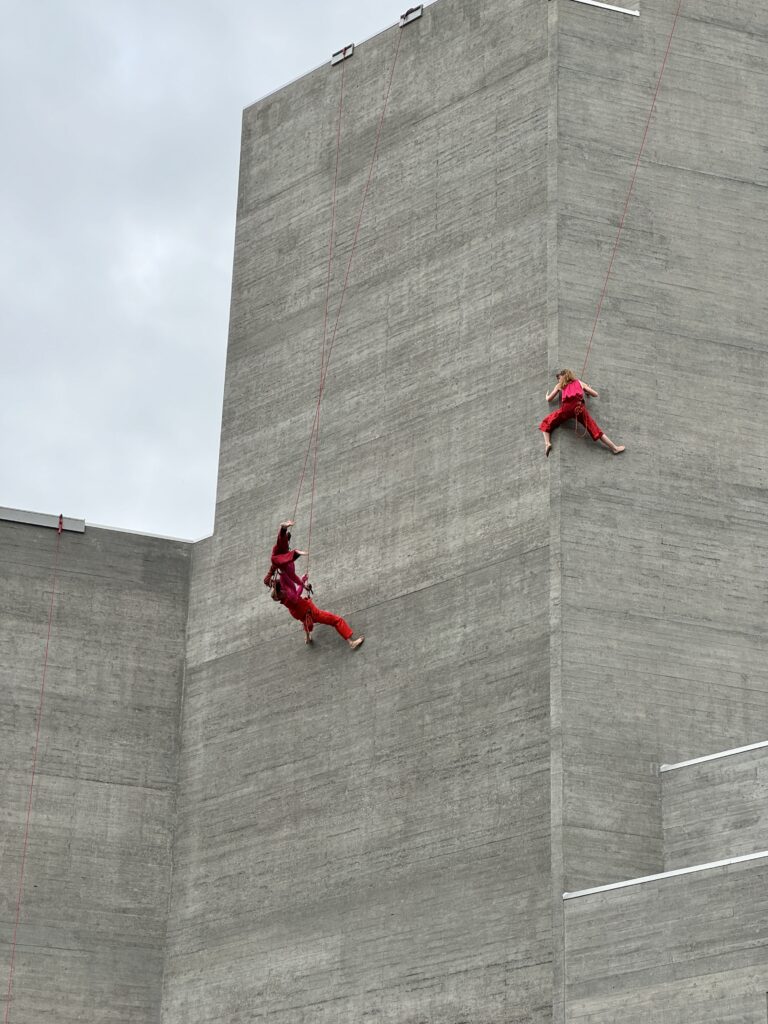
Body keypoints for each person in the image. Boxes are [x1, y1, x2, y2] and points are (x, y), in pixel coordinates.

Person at [539, 369, 625, 457]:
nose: (558, 379)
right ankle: (614, 448)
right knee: (594, 428)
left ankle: (547, 443)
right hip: (579, 409)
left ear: (562, 377)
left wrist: (546, 397)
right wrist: (587, 390)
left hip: (566, 410)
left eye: (559, 378)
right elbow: (595, 394)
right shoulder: (578, 382)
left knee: (547, 422)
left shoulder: (559, 385)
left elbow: (549, 399)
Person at [271, 578, 365, 649]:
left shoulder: (284, 599)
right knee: (336, 620)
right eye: (282, 588)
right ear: (280, 593)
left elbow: (289, 589)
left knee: (305, 621)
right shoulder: (289, 598)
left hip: (304, 613)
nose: (284, 587)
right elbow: (296, 594)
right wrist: (302, 581)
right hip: (312, 613)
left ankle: (308, 637)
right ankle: (351, 642)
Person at [263, 519, 308, 601]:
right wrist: (303, 583)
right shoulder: (289, 594)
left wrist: (272, 582)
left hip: (283, 561)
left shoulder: (283, 586)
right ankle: (295, 553)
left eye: (280, 594)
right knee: (281, 552)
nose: (283, 595)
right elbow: (294, 578)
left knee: (280, 548)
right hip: (285, 561)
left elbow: (267, 580)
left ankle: (283, 529)